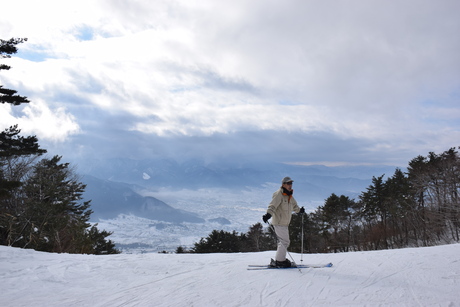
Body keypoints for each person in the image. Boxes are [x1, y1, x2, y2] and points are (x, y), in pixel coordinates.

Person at [262, 176, 305, 268]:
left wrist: (300, 211)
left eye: (291, 183)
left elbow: (295, 206)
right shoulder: (279, 194)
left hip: (285, 223)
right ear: (283, 184)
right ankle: (280, 261)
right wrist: (268, 215)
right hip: (279, 222)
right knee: (284, 241)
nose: (290, 185)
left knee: (284, 241)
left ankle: (280, 260)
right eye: (288, 183)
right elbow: (272, 206)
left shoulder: (289, 195)